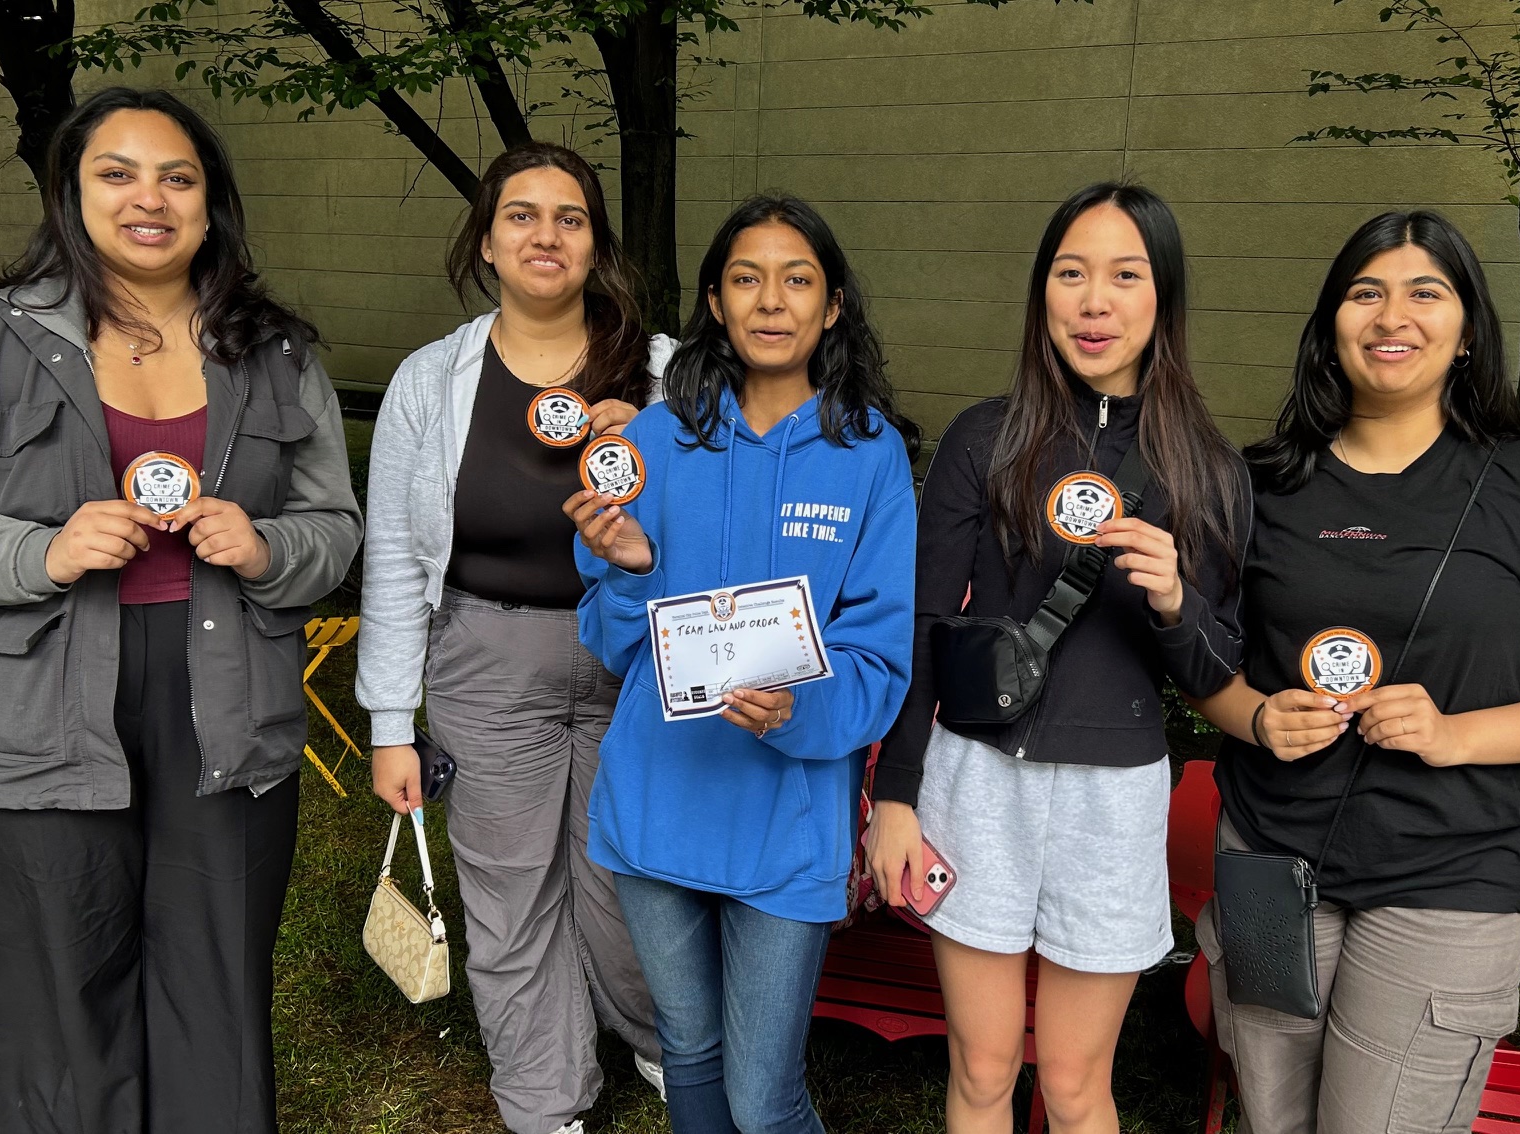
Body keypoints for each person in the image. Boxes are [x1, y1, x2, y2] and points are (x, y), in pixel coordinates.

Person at [0, 87, 361, 1133]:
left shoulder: (276, 354)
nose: (151, 198)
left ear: (210, 202)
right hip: (37, 705)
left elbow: (335, 527)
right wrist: (42, 551)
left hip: (224, 699)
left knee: (215, 982)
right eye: (118, 172)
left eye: (178, 177)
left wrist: (268, 547)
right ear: (71, 192)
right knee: (61, 984)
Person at [1187, 210, 1520, 1134]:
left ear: (1467, 330)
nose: (1392, 316)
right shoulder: (1257, 484)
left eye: (1424, 293)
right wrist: (1257, 717)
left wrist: (1453, 734)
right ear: (1331, 326)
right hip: (1270, 864)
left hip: (1451, 871)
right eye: (1366, 292)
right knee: (1272, 1118)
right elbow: (1204, 668)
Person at [863, 182, 1249, 1133]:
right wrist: (896, 797)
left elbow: (1216, 673)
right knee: (982, 1071)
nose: (1094, 301)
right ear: (1042, 290)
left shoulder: (1209, 468)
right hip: (977, 780)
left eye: (1126, 276)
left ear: (1165, 295)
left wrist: (1174, 600)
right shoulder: (985, 438)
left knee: (1076, 1087)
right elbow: (922, 622)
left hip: (1112, 800)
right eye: (1071, 274)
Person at [562, 194, 918, 1134]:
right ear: (715, 303)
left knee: (763, 1100)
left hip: (786, 816)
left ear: (831, 306)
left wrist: (802, 709)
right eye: (746, 279)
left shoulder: (870, 455)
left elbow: (881, 656)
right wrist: (630, 569)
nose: (771, 300)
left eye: (797, 280)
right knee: (688, 1052)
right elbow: (611, 641)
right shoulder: (651, 441)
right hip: (659, 799)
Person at [356, 142, 667, 1134]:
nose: (546, 235)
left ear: (596, 244)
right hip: (485, 661)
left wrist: (659, 447)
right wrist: (389, 724)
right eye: (520, 215)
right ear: (486, 242)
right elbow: (395, 559)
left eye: (570, 217)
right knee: (510, 892)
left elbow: (722, 529)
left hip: (637, 661)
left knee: (631, 881)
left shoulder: (666, 374)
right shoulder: (429, 381)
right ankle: (546, 1099)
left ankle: (661, 1038)